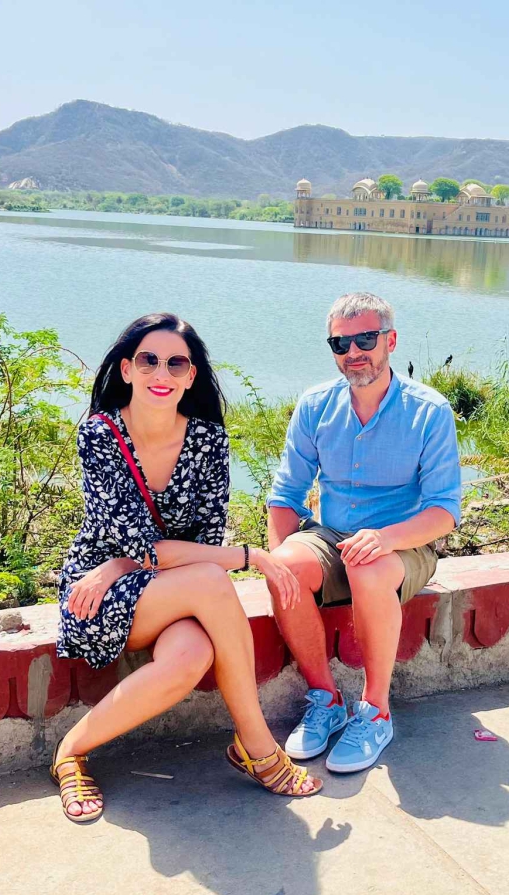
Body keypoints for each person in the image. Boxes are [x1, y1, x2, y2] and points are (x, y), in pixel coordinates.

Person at [52, 313, 320, 823]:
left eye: (176, 363)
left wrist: (126, 561)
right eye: (149, 360)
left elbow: (203, 540)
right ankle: (258, 745)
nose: (162, 373)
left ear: (191, 376)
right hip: (98, 593)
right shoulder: (100, 434)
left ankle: (71, 750)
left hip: (171, 585)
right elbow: (148, 545)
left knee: (191, 657)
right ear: (127, 369)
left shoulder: (207, 440)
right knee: (212, 577)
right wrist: (252, 556)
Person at [265, 292, 462, 774]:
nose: (353, 352)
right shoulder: (315, 405)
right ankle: (326, 700)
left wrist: (387, 538)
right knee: (284, 565)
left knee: (369, 567)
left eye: (366, 339)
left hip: (403, 546)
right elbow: (285, 495)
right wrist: (279, 569)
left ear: (390, 341)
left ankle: (375, 712)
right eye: (341, 343)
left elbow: (444, 511)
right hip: (332, 537)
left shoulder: (429, 411)